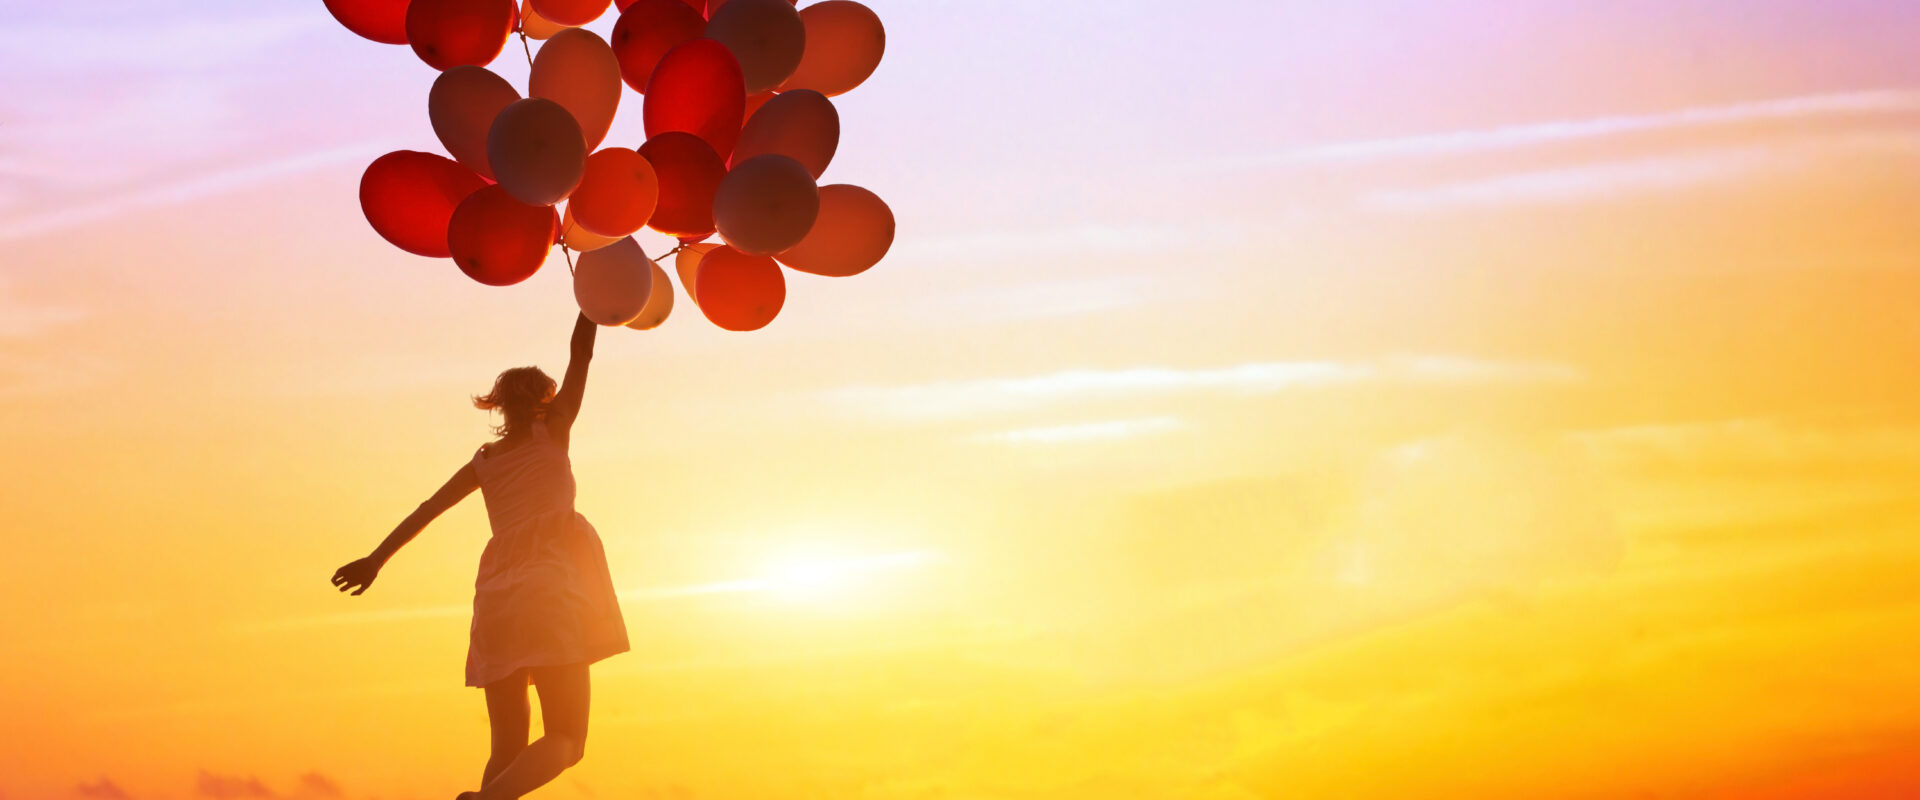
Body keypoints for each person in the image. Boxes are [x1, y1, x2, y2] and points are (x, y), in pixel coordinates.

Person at [331, 313, 629, 800]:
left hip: (497, 601)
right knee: (567, 739)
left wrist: (375, 560)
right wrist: (592, 302)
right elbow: (582, 354)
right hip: (549, 591)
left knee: (507, 747)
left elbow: (428, 509)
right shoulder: (553, 433)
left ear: (500, 407)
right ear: (545, 402)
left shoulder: (484, 462)